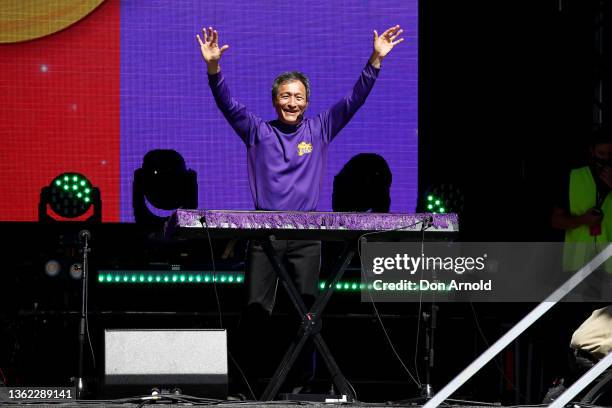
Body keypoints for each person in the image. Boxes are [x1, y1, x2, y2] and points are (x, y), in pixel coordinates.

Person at [197, 25, 404, 397]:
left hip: (307, 239)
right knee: (256, 313)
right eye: (285, 96)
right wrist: (214, 69)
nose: (292, 103)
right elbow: (226, 102)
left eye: (299, 97)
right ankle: (244, 385)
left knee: (307, 315)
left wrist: (375, 59)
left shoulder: (320, 129)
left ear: (307, 102)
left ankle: (300, 385)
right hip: (265, 238)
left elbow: (353, 100)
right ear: (274, 100)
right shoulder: (257, 131)